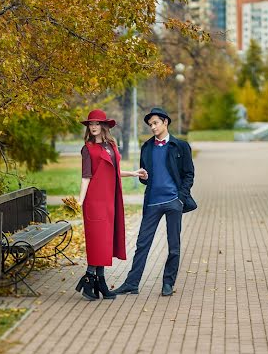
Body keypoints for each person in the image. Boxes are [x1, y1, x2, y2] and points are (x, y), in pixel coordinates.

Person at [114, 107, 197, 297]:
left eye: (155, 123)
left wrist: (181, 198)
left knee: (173, 245)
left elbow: (189, 174)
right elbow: (146, 177)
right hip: (152, 202)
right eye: (150, 124)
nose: (152, 127)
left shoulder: (180, 146)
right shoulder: (147, 147)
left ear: (165, 122)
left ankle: (168, 283)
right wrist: (143, 176)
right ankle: (131, 283)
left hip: (173, 201)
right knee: (142, 244)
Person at [75, 109, 148, 301]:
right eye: (91, 124)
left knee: (105, 242)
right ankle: (90, 280)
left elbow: (114, 171)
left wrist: (133, 173)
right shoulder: (87, 149)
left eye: (97, 124)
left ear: (104, 126)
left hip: (110, 200)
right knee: (98, 243)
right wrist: (80, 201)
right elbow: (86, 176)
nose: (94, 127)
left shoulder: (111, 146)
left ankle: (99, 280)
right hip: (94, 201)